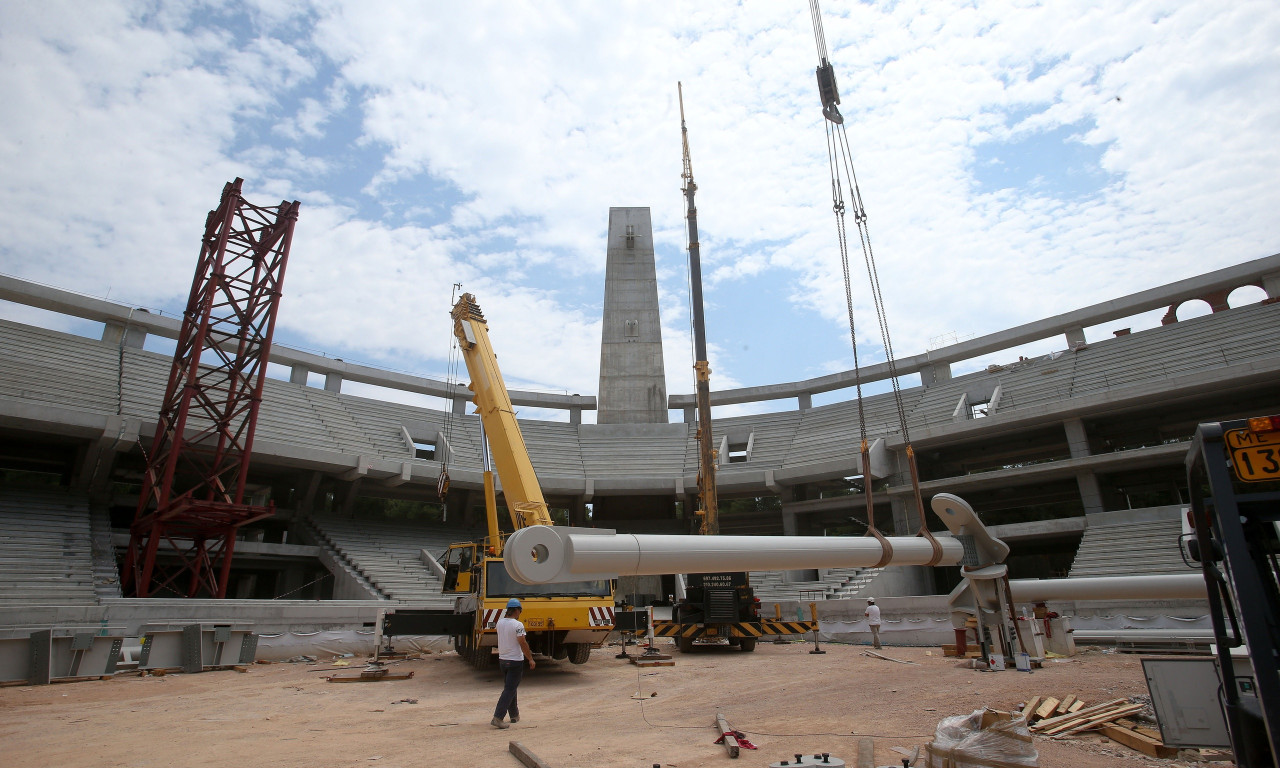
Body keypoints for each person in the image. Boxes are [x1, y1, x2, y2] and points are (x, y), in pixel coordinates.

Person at [491, 597, 534, 729]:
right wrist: (530, 658)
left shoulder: (499, 623)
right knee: (509, 689)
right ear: (516, 610)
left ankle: (514, 715)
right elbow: (522, 642)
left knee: (511, 686)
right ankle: (498, 717)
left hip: (503, 660)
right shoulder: (518, 625)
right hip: (515, 660)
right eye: (519, 611)